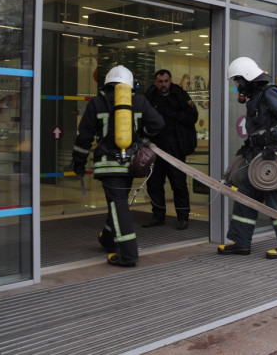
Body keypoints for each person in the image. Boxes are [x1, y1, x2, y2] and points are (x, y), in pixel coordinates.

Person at [71, 65, 165, 267]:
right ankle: (107, 238)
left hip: (108, 165)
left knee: (118, 204)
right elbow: (158, 123)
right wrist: (141, 136)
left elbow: (84, 137)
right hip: (130, 163)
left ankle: (128, 255)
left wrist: (78, 162)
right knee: (119, 201)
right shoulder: (139, 101)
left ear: (106, 84)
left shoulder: (97, 103)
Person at [218, 57, 277, 259]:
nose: (237, 86)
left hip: (272, 157)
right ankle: (241, 243)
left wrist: (272, 143)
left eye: (238, 81)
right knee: (244, 197)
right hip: (256, 156)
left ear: (247, 78)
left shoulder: (269, 93)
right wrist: (247, 147)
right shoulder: (255, 97)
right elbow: (258, 130)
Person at [142, 69, 199, 230]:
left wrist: (173, 114)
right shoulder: (150, 95)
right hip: (155, 146)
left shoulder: (179, 94)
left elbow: (193, 116)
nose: (163, 85)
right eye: (160, 82)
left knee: (178, 183)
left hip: (175, 145)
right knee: (154, 183)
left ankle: (182, 217)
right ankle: (158, 216)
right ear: (156, 82)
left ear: (170, 80)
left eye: (166, 81)